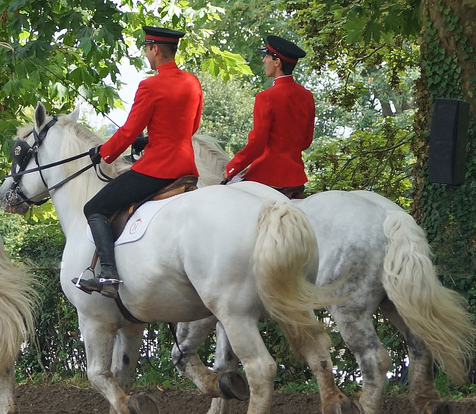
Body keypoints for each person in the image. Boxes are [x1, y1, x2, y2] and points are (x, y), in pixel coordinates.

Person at [77, 26, 204, 296]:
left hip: (158, 169)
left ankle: (108, 273)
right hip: (187, 168)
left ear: (155, 49)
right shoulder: (192, 82)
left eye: (146, 49)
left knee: (95, 208)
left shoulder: (150, 85)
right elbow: (191, 126)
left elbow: (128, 131)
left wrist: (104, 152)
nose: (147, 54)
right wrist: (150, 140)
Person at [224, 35, 315, 198]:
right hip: (295, 178)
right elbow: (306, 141)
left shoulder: (266, 97)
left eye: (266, 57)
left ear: (277, 62)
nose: (264, 61)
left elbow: (257, 144)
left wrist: (232, 168)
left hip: (267, 176)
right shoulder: (307, 96)